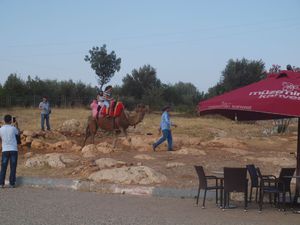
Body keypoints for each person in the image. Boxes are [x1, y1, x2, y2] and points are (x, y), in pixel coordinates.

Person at [0, 114, 20, 188]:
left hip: (5, 150)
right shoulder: (13, 128)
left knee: (3, 167)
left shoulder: (1, 129)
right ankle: (12, 183)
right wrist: (16, 125)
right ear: (11, 120)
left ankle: (1, 183)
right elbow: (18, 133)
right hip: (13, 150)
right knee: (13, 167)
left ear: (4, 120)